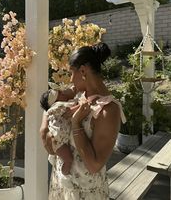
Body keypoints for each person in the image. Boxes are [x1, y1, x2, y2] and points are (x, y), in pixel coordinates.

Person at [40, 42, 126, 200]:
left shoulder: (108, 111)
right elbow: (49, 142)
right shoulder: (78, 94)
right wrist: (48, 115)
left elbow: (94, 165)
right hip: (61, 183)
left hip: (83, 194)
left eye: (72, 72)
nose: (71, 79)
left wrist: (76, 124)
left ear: (83, 71)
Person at [40, 87, 78, 176]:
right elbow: (71, 109)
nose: (63, 92)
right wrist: (82, 105)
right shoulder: (58, 106)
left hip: (59, 140)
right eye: (60, 94)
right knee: (68, 160)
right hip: (57, 142)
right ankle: (65, 174)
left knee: (68, 159)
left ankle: (65, 174)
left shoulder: (56, 107)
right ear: (56, 101)